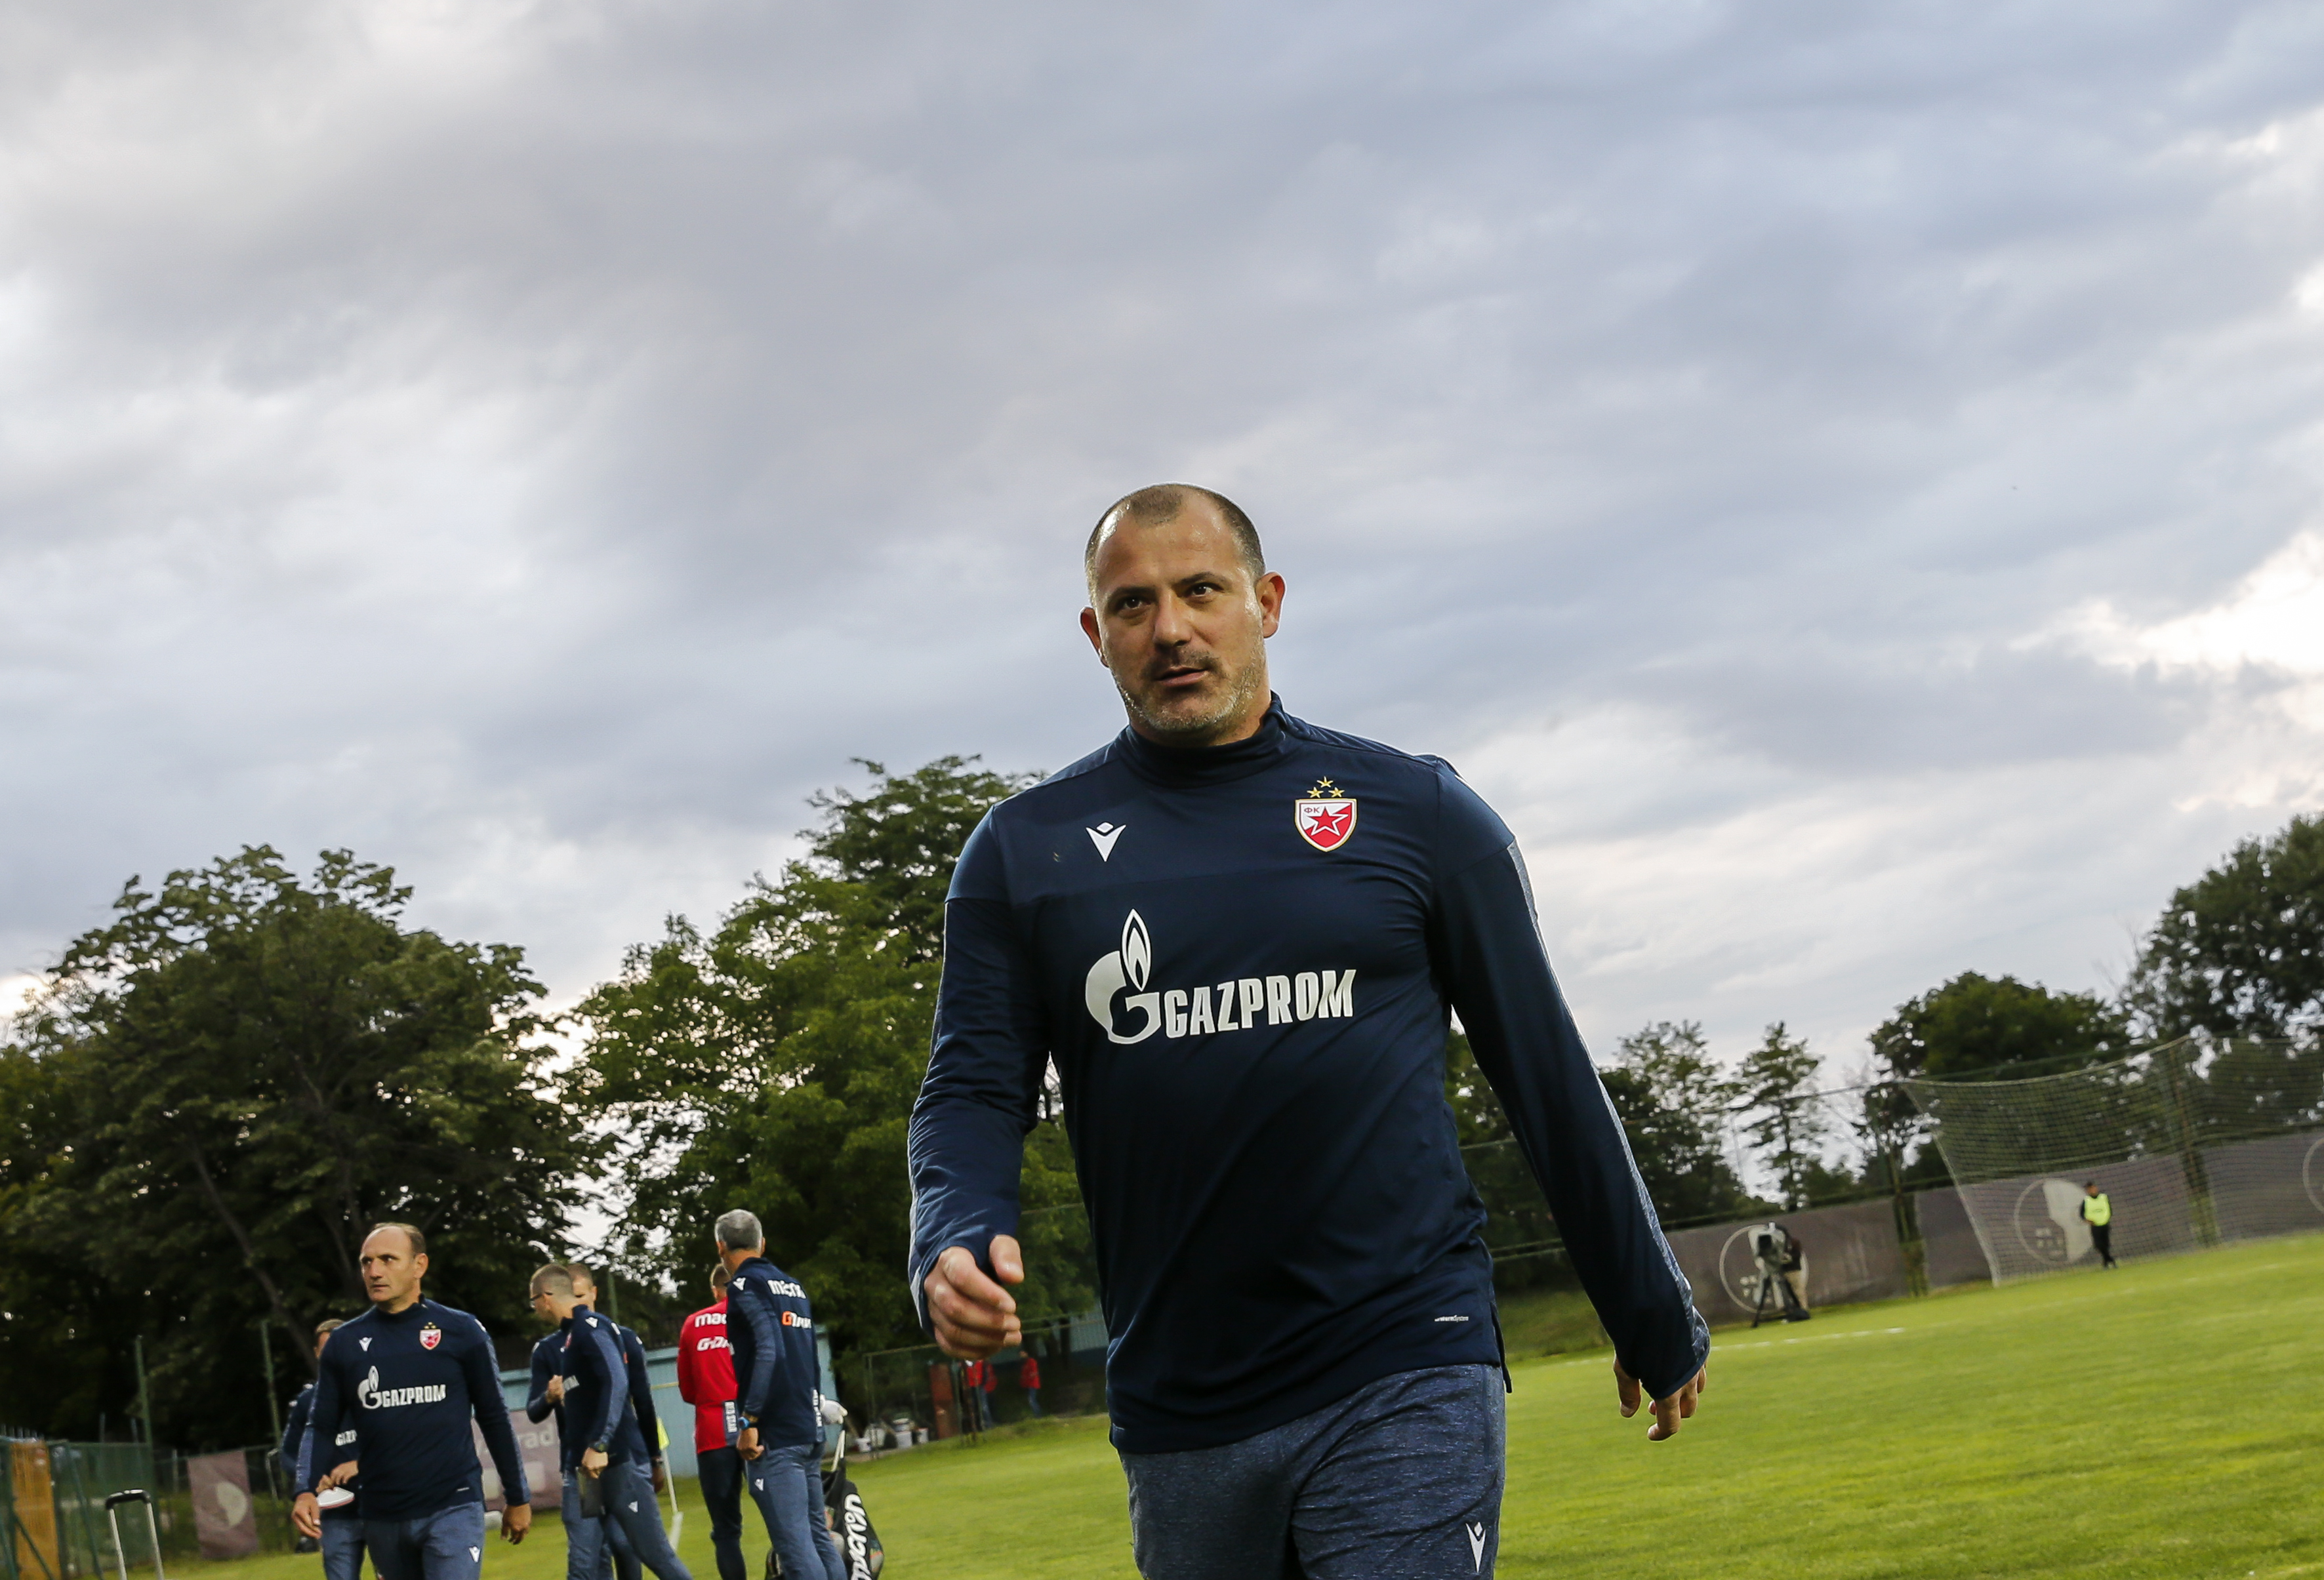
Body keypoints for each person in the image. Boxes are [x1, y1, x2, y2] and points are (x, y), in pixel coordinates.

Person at [908, 485, 1711, 1580]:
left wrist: (1644, 1300)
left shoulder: (1417, 813)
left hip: (1404, 1347)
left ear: (1266, 600)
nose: (1172, 627)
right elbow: (970, 1088)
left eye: (1201, 590)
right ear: (1096, 635)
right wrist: (952, 1226)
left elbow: (1545, 1072)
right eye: (1133, 603)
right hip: (1182, 1397)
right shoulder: (1021, 852)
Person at [292, 1224, 531, 1580]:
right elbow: (321, 1424)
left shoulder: (461, 1331)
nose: (374, 1271)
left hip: (453, 1504)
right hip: (382, 1513)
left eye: (388, 1259)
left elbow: (494, 1416)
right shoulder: (344, 1344)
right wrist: (305, 1489)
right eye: (367, 1262)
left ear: (419, 1265)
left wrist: (518, 1495)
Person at [533, 1266, 692, 1580]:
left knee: (651, 1553)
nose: (534, 1308)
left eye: (533, 1300)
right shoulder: (563, 1341)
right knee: (582, 1565)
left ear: (546, 1298)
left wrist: (600, 1443)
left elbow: (618, 1382)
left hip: (616, 1463)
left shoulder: (591, 1327)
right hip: (582, 1471)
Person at [716, 1209, 844, 1580]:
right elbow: (808, 1355)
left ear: (720, 1247)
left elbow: (770, 1348)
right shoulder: (793, 1286)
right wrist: (816, 1405)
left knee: (795, 1547)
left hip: (776, 1435)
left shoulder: (743, 1287)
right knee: (819, 1538)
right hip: (807, 1427)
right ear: (762, 1243)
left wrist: (749, 1419)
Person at [525, 1265, 640, 1580]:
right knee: (587, 1557)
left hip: (615, 1459)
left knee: (625, 1544)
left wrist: (649, 1455)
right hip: (578, 1465)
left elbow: (627, 1390)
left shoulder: (606, 1333)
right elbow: (533, 1411)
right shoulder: (547, 1350)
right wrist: (549, 1397)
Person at [676, 1263, 746, 1580]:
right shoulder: (753, 1316)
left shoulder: (693, 1324)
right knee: (784, 1521)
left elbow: (688, 1390)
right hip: (756, 1426)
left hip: (714, 1432)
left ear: (715, 1290)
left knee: (726, 1531)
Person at [283, 1320, 363, 1579]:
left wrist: (361, 1464)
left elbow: (402, 1443)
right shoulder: (307, 1403)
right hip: (335, 1513)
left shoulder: (376, 1391)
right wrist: (310, 1480)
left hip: (381, 1505)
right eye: (326, 1349)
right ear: (317, 1354)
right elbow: (288, 1454)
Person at [2082, 1183, 2116, 1268]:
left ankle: (2106, 1262)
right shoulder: (2086, 1201)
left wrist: (2106, 1218)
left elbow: (2109, 1209)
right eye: (2089, 1189)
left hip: (2105, 1224)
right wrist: (2086, 1220)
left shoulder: (2104, 1198)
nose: (2092, 1190)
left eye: (2092, 1188)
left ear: (2096, 1188)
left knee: (2106, 1244)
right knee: (2098, 1245)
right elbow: (2082, 1213)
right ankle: (2110, 1259)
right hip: (2095, 1225)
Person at [1019, 1351, 1042, 1419]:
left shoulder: (1031, 1362)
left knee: (1032, 1400)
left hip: (1033, 1384)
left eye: (1023, 1354)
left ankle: (1038, 1415)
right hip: (1027, 1385)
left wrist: (1027, 1377)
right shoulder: (1024, 1364)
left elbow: (1034, 1373)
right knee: (1032, 1400)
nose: (1022, 1356)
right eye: (1020, 1355)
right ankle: (1037, 1414)